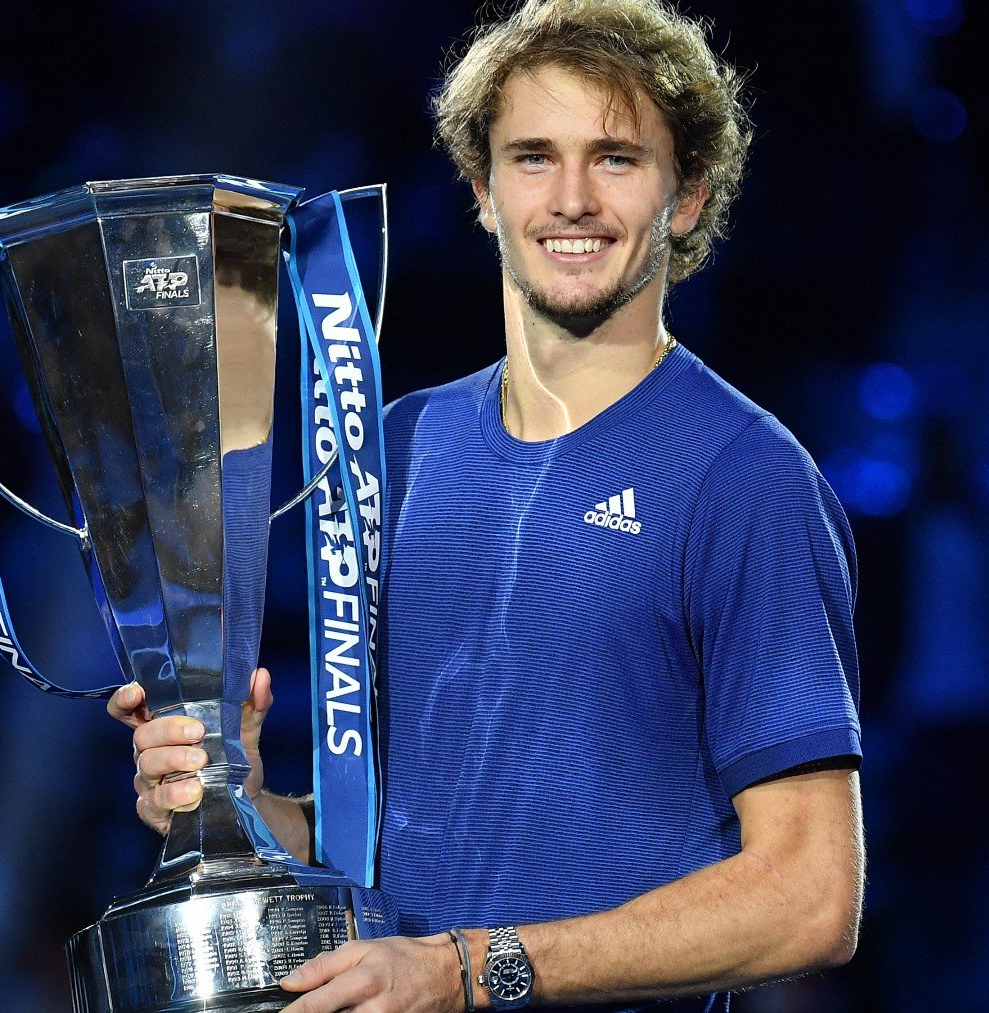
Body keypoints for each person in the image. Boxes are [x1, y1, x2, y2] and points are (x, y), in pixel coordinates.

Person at [109, 2, 864, 1010]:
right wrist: (237, 802)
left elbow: (811, 897)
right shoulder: (396, 447)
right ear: (481, 190)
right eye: (534, 157)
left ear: (686, 198)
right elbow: (393, 862)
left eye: (618, 158)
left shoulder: (745, 476)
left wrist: (471, 970)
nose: (572, 198)